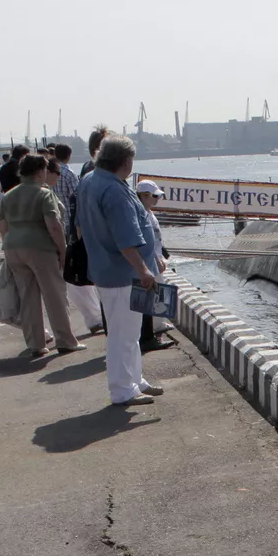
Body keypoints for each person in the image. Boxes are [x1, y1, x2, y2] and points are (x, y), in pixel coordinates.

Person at [75, 133, 162, 406]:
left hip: (107, 270)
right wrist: (145, 270)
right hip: (122, 272)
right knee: (122, 335)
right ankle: (123, 389)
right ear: (125, 162)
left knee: (128, 332)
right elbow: (125, 238)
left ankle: (135, 379)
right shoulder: (113, 189)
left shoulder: (91, 179)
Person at [0, 154, 81, 356]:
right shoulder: (44, 194)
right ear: (39, 171)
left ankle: (36, 344)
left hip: (13, 247)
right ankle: (65, 340)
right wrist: (63, 251)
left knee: (28, 296)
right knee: (54, 295)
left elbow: (2, 225)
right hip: (39, 247)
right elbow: (53, 224)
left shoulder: (9, 195)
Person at [50, 143, 102, 334]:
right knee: (85, 276)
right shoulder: (72, 176)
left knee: (77, 275)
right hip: (75, 230)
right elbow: (76, 202)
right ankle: (96, 318)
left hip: (65, 228)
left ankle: (95, 317)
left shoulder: (58, 174)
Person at [131, 180, 176, 352]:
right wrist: (156, 259)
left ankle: (158, 324)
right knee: (153, 295)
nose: (157, 199)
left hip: (155, 258)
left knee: (159, 291)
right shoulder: (142, 214)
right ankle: (152, 332)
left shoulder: (149, 212)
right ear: (144, 196)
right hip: (150, 260)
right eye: (154, 196)